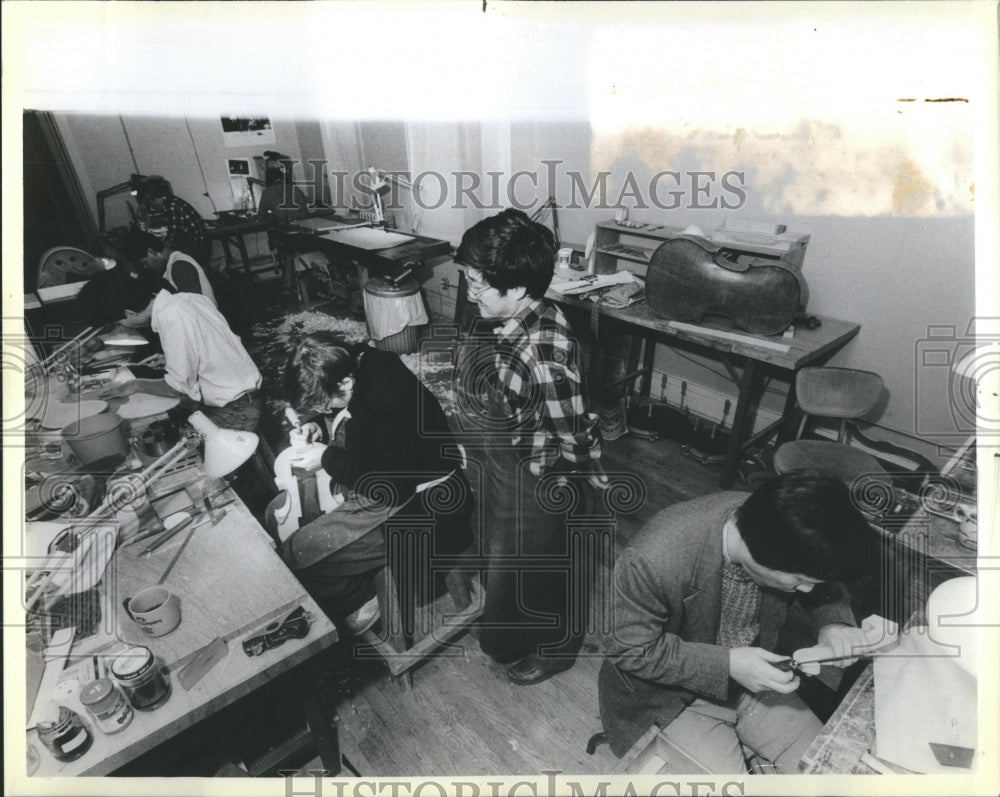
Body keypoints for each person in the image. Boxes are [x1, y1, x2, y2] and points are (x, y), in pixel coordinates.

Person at [598, 471, 880, 772]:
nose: (808, 590)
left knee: (830, 768)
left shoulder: (779, 522)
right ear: (763, 555)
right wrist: (729, 665)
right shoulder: (654, 558)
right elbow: (627, 648)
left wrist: (833, 625)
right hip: (668, 700)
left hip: (750, 681)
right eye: (799, 581)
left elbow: (821, 579)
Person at [453, 208, 606, 686]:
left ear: (516, 288)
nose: (469, 292)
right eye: (468, 280)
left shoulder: (545, 355)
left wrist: (581, 488)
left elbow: (574, 433)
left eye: (478, 284)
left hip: (543, 477)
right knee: (511, 560)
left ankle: (555, 649)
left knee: (538, 569)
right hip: (516, 457)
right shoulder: (525, 314)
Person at [277, 332, 472, 634]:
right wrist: (320, 426)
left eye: (325, 403)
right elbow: (359, 421)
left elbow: (392, 488)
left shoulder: (387, 399)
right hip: (394, 478)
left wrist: (326, 457)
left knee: (298, 558)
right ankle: (353, 578)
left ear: (344, 382)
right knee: (294, 527)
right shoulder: (363, 363)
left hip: (424, 504)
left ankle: (365, 598)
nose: (325, 409)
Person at [78, 267, 262, 432]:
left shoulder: (171, 318)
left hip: (235, 408)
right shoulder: (187, 299)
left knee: (201, 461)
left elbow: (177, 388)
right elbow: (213, 346)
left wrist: (134, 385)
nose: (123, 326)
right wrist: (170, 359)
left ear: (129, 313)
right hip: (243, 396)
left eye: (119, 322)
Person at [119, 227, 217, 307]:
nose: (146, 267)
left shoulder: (180, 267)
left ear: (151, 252)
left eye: (144, 263)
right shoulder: (171, 264)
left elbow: (195, 308)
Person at [137, 178, 211, 266]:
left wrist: (159, 245)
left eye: (151, 202)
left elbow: (174, 236)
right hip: (201, 244)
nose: (152, 206)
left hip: (198, 249)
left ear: (156, 198)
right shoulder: (173, 201)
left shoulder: (172, 207)